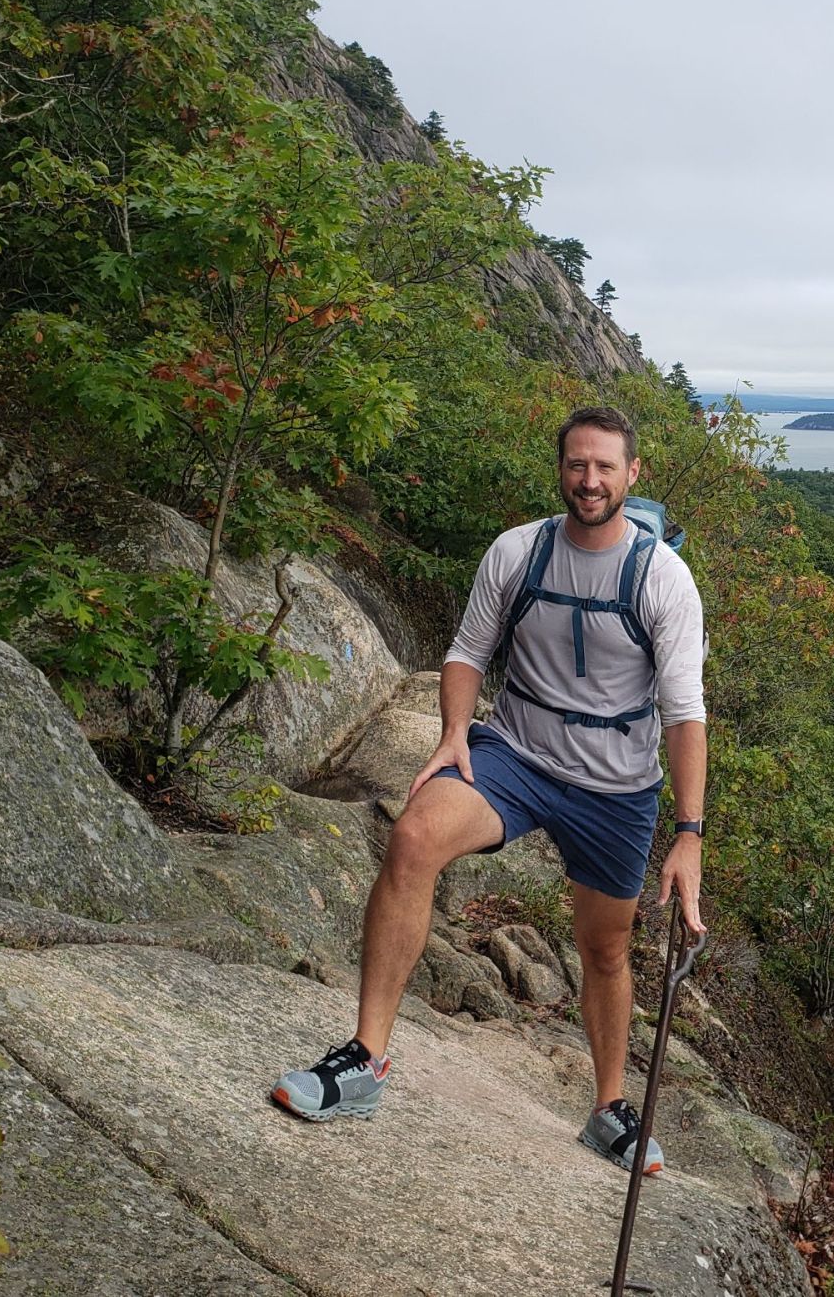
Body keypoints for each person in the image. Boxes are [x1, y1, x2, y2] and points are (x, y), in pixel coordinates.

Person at [271, 405, 707, 1175]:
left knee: (604, 948)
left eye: (606, 466)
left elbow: (683, 712)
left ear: (633, 474)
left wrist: (689, 834)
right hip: (517, 755)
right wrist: (450, 734)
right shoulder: (518, 552)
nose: (590, 479)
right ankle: (365, 1063)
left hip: (615, 788)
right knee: (411, 839)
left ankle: (608, 1110)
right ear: (561, 469)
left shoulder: (662, 578)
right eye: (578, 464)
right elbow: (469, 651)